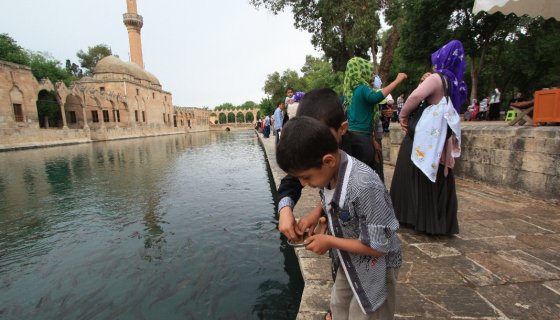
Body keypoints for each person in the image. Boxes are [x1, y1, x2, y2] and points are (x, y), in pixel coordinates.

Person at [276, 116, 402, 320]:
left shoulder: (364, 186)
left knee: (367, 312)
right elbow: (332, 201)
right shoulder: (331, 174)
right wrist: (315, 216)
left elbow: (379, 247)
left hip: (375, 271)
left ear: (328, 161)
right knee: (339, 307)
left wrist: (329, 241)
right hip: (348, 261)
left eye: (306, 177)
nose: (304, 183)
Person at [277, 88, 385, 242]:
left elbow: (373, 213)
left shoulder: (364, 153)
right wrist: (285, 210)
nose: (313, 143)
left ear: (342, 128)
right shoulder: (310, 149)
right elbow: (292, 181)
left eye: (322, 134)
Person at [391, 39, 467, 236]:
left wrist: (403, 115)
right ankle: (441, 222)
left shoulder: (437, 78)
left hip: (426, 135)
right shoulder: (457, 83)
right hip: (443, 136)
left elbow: (415, 97)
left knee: (411, 167)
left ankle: (411, 216)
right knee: (440, 174)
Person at [343, 57, 407, 181]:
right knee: (369, 177)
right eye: (369, 70)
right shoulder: (363, 88)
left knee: (356, 177)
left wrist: (372, 139)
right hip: (362, 140)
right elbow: (376, 97)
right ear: (362, 70)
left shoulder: (351, 91)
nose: (371, 74)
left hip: (353, 138)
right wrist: (397, 81)